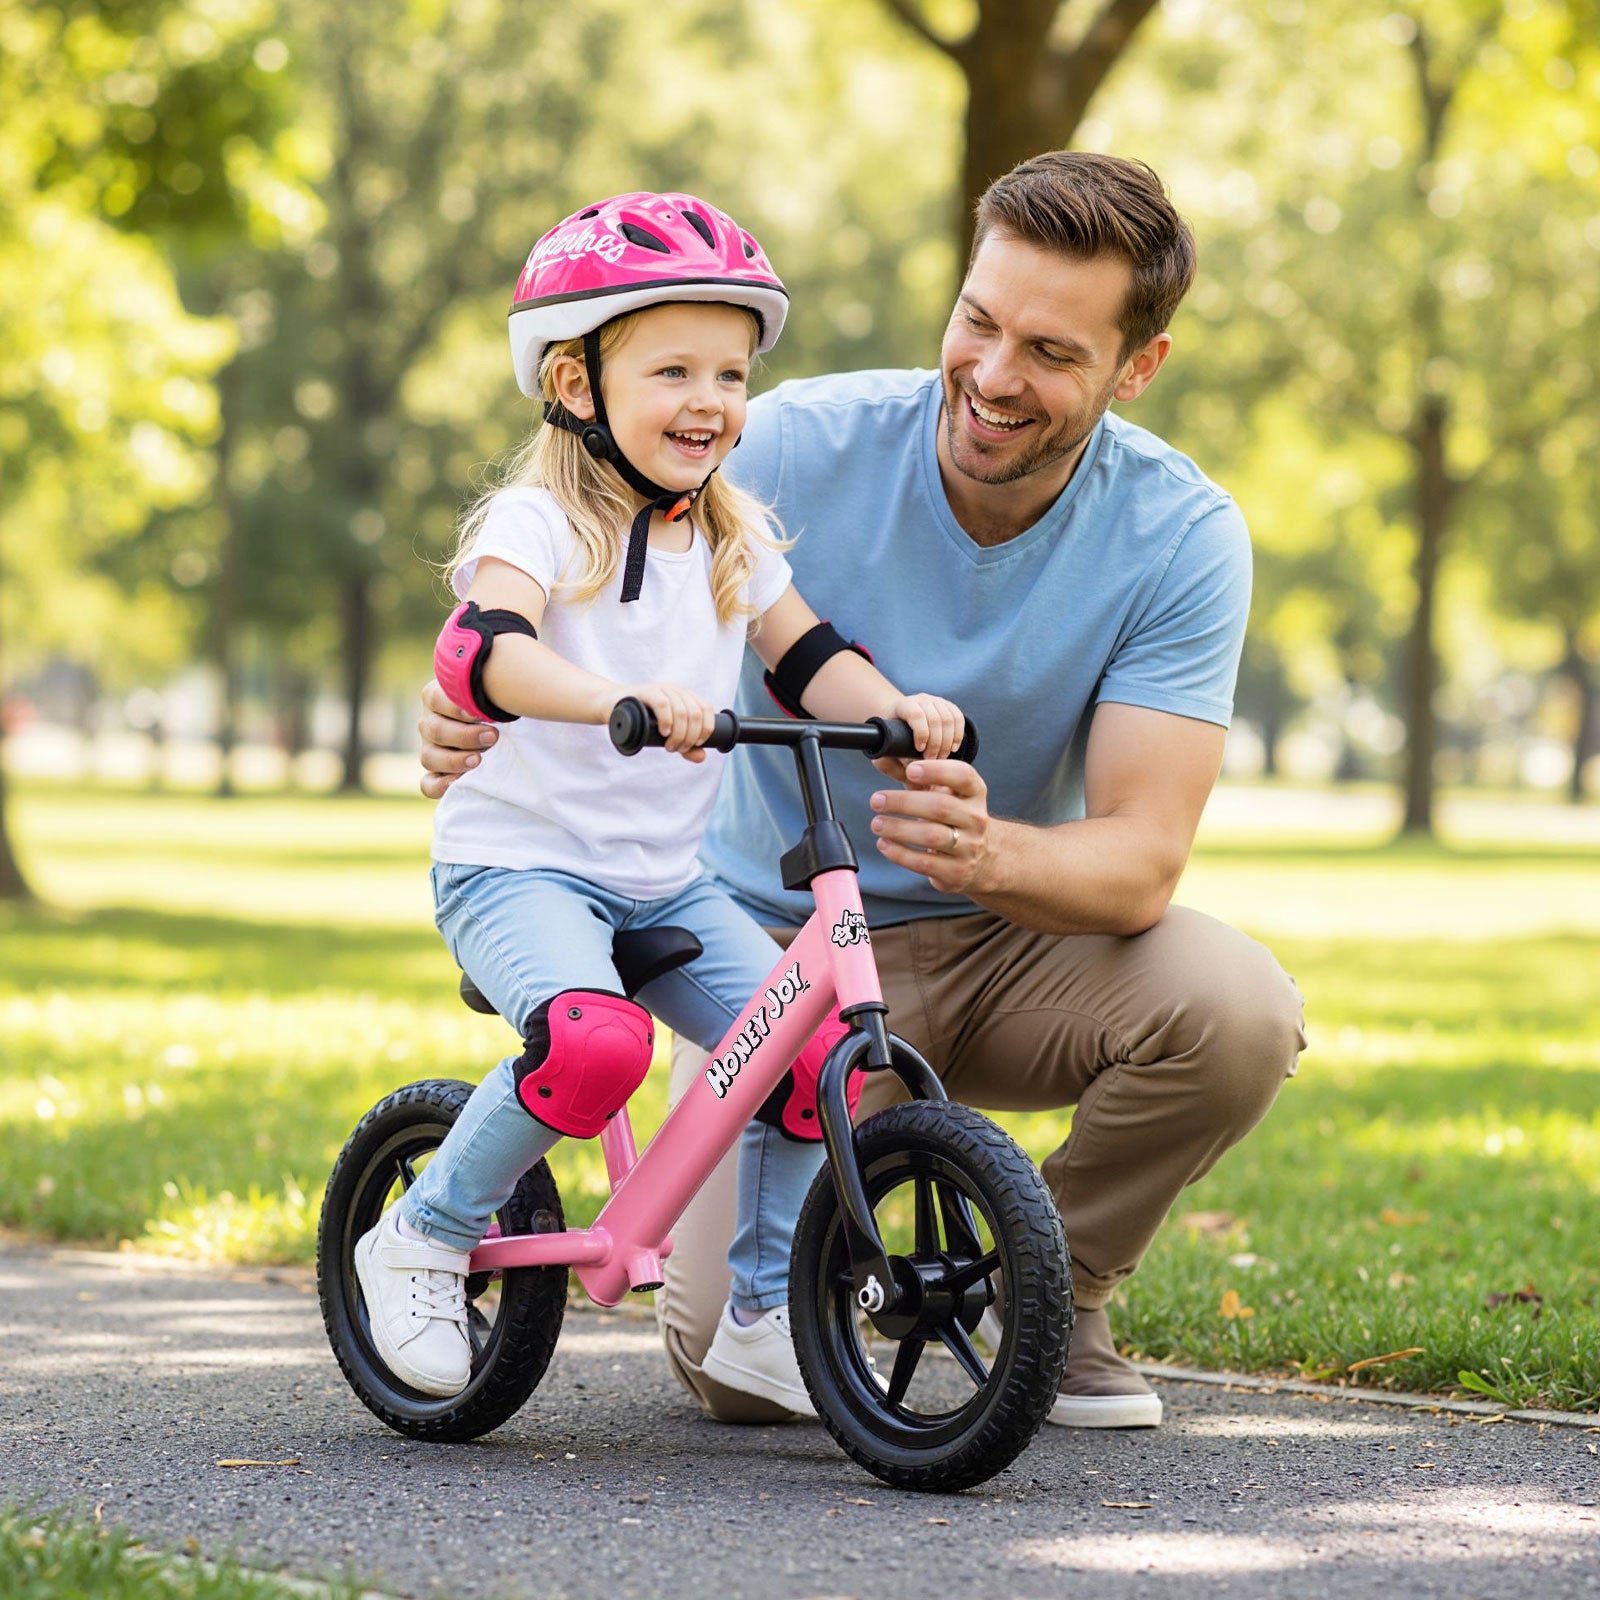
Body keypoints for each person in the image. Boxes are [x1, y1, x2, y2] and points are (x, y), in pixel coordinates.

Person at [419, 152, 1307, 1432]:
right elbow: (544, 546)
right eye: (978, 322)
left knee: (1236, 1008)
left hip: (1013, 944)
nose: (995, 377)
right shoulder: (766, 445)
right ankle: (492, 1240)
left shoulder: (1178, 533)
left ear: (1135, 368)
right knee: (738, 1377)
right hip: (776, 937)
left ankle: (1044, 1289)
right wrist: (462, 695)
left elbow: (1140, 862)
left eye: (1052, 352)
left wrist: (985, 851)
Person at [357, 191, 965, 1413]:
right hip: (519, 866)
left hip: (662, 882)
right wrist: (611, 697)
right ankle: (421, 1235)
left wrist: (901, 711)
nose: (710, 399)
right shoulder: (533, 521)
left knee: (821, 1062)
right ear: (577, 385)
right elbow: (483, 652)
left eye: (731, 373)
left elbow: (806, 656)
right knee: (594, 1044)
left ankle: (759, 1315)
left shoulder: (734, 538)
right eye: (673, 368)